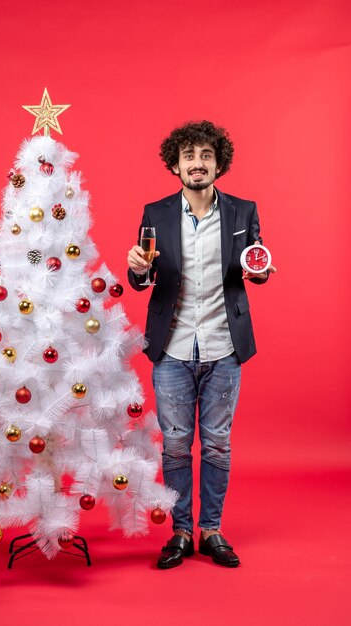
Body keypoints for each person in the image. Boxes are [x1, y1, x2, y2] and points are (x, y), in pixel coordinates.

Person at [127, 121, 276, 569]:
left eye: (206, 156)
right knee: (175, 446)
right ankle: (180, 532)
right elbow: (144, 276)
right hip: (171, 350)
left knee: (216, 445)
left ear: (218, 164)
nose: (198, 163)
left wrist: (261, 269)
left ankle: (211, 530)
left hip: (224, 347)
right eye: (189, 156)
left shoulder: (242, 211)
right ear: (175, 165)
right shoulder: (155, 212)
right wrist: (137, 267)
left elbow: (258, 261)